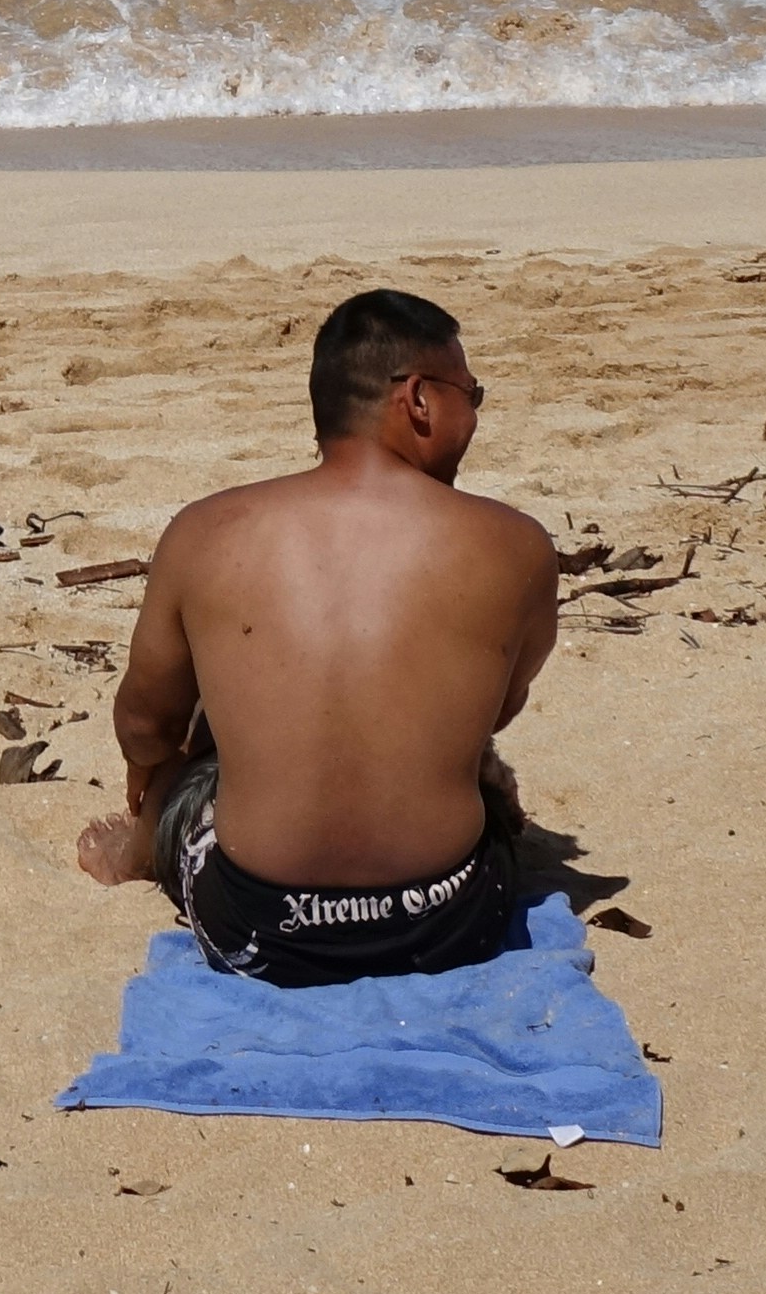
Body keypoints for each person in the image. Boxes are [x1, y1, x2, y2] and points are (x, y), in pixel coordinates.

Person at [69, 288, 561, 984]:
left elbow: (144, 725)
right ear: (419, 400)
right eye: (471, 394)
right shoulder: (518, 546)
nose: (475, 413)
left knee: (204, 727)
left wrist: (155, 777)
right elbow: (495, 712)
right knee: (462, 750)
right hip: (449, 923)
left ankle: (145, 849)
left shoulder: (206, 533)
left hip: (260, 927)